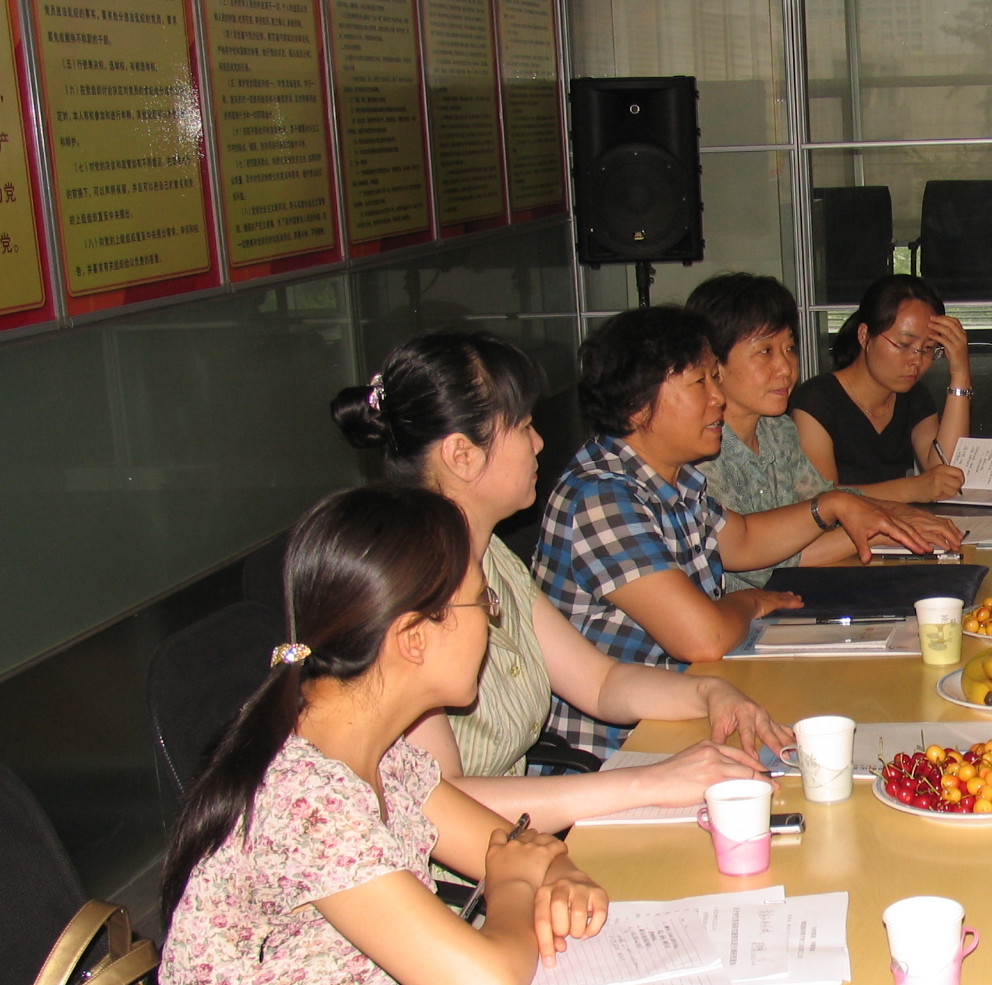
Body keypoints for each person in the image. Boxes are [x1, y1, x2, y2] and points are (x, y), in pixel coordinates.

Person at [140, 485, 611, 985]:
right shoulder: (307, 796)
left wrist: (555, 872)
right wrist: (514, 885)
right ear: (413, 638)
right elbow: (486, 984)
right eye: (483, 605)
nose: (492, 624)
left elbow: (508, 842)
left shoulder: (373, 751)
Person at [332, 331, 785, 825]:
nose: (539, 443)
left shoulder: (493, 558)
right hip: (479, 855)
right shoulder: (407, 590)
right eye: (524, 427)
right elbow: (439, 808)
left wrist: (710, 693)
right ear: (462, 455)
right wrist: (651, 782)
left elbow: (601, 682)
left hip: (519, 835)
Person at [535, 305, 961, 752]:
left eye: (715, 380)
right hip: (624, 746)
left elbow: (742, 541)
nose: (717, 398)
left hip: (692, 703)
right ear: (639, 406)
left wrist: (831, 505)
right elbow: (704, 638)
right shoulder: (602, 497)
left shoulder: (671, 478)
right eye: (700, 383)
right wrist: (749, 601)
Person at [693, 272, 964, 590]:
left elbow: (821, 499)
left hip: (793, 597)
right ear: (713, 363)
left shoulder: (776, 430)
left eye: (789, 348)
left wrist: (894, 513)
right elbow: (762, 563)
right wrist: (883, 528)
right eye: (765, 351)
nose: (786, 368)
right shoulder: (699, 450)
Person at [790, 273, 973, 492]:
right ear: (864, 336)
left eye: (928, 349)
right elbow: (822, 501)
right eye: (904, 345)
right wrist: (912, 489)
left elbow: (946, 473)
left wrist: (960, 375)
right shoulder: (816, 401)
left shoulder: (914, 396)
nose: (916, 360)